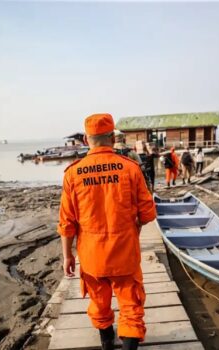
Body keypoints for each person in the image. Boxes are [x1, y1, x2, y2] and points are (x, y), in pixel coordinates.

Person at [58, 114, 156, 350]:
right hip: (125, 253)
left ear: (85, 139)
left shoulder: (73, 173)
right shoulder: (130, 169)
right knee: (131, 305)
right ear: (112, 137)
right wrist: (134, 230)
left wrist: (68, 256)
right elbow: (147, 212)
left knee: (99, 302)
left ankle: (106, 343)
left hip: (92, 256)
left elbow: (66, 221)